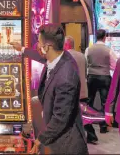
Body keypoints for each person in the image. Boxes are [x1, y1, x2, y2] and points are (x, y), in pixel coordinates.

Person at [25, 24, 87, 154]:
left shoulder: (66, 76)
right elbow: (40, 57)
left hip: (66, 144)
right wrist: (22, 50)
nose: (37, 46)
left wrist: (40, 139)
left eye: (39, 43)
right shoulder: (58, 58)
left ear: (46, 47)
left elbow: (60, 118)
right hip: (56, 138)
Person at [85, 29, 117, 134]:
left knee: (89, 102)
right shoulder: (108, 50)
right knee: (105, 103)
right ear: (105, 37)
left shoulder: (88, 49)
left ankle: (88, 125)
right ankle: (103, 126)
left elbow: (86, 63)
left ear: (95, 37)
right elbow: (115, 65)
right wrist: (106, 67)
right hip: (104, 77)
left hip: (92, 77)